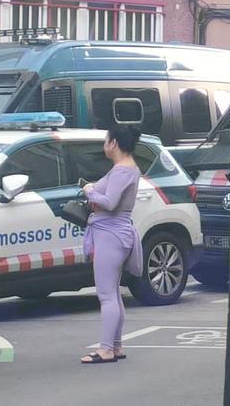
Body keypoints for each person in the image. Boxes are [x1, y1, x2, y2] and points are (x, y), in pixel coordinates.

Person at [79, 125, 145, 364]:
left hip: (111, 233)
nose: (104, 145)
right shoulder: (129, 169)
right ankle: (115, 346)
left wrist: (89, 191)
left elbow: (109, 202)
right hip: (117, 232)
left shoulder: (121, 170)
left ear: (114, 143)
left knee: (106, 295)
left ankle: (106, 349)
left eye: (106, 140)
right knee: (113, 293)